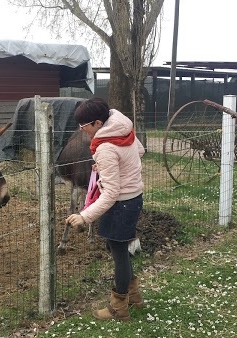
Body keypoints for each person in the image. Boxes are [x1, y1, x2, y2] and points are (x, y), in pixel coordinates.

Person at [65, 97, 145, 321]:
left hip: (121, 203)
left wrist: (84, 216)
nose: (83, 131)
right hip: (133, 197)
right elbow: (139, 151)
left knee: (118, 253)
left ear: (98, 123)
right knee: (116, 248)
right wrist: (108, 167)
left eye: (85, 126)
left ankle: (118, 308)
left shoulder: (106, 147)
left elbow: (110, 193)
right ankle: (135, 296)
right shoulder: (122, 128)